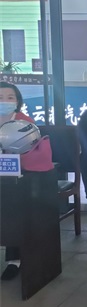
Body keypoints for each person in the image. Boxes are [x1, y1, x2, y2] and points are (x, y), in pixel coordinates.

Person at [0, 81, 37, 281]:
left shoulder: (25, 123)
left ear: (17, 101)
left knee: (11, 204)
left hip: (20, 179)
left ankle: (14, 260)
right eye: (0, 98)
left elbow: (33, 153)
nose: (4, 102)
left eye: (10, 97)